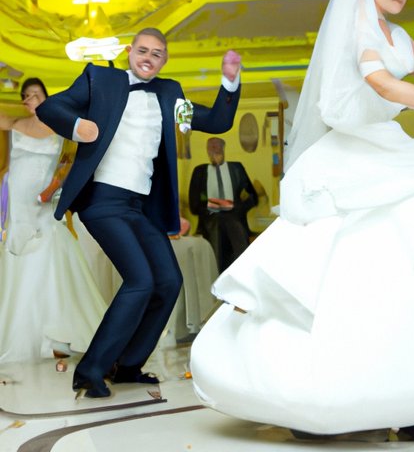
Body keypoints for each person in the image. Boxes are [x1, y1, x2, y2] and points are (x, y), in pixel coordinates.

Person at [190, 0, 414, 441]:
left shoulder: (396, 34)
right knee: (357, 275)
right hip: (351, 158)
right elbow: (384, 85)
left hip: (389, 149)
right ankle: (344, 398)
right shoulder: (358, 31)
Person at [36, 28, 241, 398]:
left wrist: (229, 83)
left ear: (164, 60)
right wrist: (78, 126)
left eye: (157, 53)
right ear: (130, 51)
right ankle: (90, 370)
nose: (148, 58)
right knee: (141, 280)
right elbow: (50, 108)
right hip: (101, 201)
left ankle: (128, 366)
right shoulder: (101, 80)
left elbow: (216, 122)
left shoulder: (169, 93)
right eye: (142, 50)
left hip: (139, 207)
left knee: (169, 281)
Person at [0, 78, 106, 363]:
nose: (29, 99)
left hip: (44, 203)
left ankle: (56, 334)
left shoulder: (61, 127)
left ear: (47, 98)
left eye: (35, 94)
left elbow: (68, 164)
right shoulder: (16, 124)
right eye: (26, 95)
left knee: (47, 257)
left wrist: (51, 189)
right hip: (19, 206)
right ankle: (25, 332)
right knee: (20, 257)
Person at [189, 137, 258, 272]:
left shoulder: (236, 168)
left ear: (223, 148)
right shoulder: (200, 172)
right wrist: (214, 206)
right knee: (217, 236)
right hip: (210, 218)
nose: (213, 150)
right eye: (210, 147)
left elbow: (253, 197)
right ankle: (218, 275)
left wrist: (237, 208)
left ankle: (242, 272)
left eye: (216, 146)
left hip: (234, 216)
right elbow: (194, 205)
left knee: (236, 238)